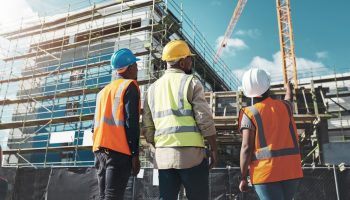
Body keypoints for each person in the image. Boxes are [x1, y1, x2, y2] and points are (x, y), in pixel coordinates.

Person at [142, 40, 218, 200]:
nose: (192, 61)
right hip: (191, 156)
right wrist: (214, 148)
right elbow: (204, 119)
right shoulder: (191, 82)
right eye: (190, 58)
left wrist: (160, 146)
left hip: (164, 157)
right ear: (182, 62)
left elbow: (148, 127)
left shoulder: (151, 89)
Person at [238, 68, 303, 200]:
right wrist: (288, 89)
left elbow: (246, 148)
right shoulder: (285, 107)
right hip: (291, 170)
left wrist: (243, 177)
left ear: (248, 92)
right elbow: (289, 99)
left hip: (265, 174)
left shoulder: (249, 113)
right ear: (268, 86)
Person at [92, 48, 141, 200]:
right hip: (119, 151)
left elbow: (94, 126)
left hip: (99, 151)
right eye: (136, 65)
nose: (137, 69)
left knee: (103, 196)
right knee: (113, 196)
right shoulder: (130, 86)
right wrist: (135, 154)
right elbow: (131, 122)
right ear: (130, 66)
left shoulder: (103, 92)